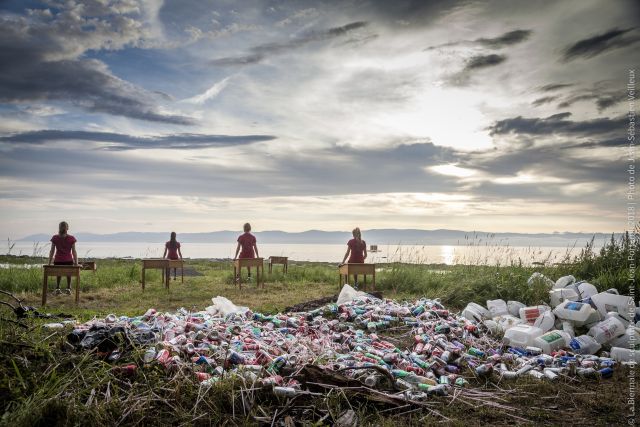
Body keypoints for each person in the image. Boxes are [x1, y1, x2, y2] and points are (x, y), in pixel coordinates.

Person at [48, 221, 78, 295]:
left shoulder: (55, 237)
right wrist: (76, 263)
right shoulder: (71, 238)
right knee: (69, 274)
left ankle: (58, 288)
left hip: (58, 261)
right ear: (67, 228)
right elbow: (74, 251)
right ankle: (68, 289)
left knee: (59, 274)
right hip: (68, 261)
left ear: (59, 228)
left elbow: (52, 251)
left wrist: (49, 262)